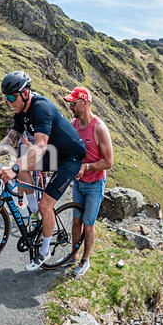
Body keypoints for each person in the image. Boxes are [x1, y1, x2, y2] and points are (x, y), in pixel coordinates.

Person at [0, 71, 86, 271]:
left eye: (12, 97)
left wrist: (14, 167)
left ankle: (44, 251)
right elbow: (11, 139)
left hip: (70, 157)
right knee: (23, 170)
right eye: (6, 98)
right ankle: (34, 211)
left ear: (25, 93)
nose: (8, 102)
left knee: (46, 204)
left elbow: (39, 147)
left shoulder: (41, 108)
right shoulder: (21, 112)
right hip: (54, 153)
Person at [64, 86, 114, 277]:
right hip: (78, 182)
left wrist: (87, 167)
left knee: (88, 223)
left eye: (73, 103)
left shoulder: (99, 128)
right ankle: (73, 255)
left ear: (84, 103)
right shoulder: (74, 124)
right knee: (76, 220)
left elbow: (109, 162)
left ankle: (85, 260)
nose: (70, 106)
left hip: (94, 184)